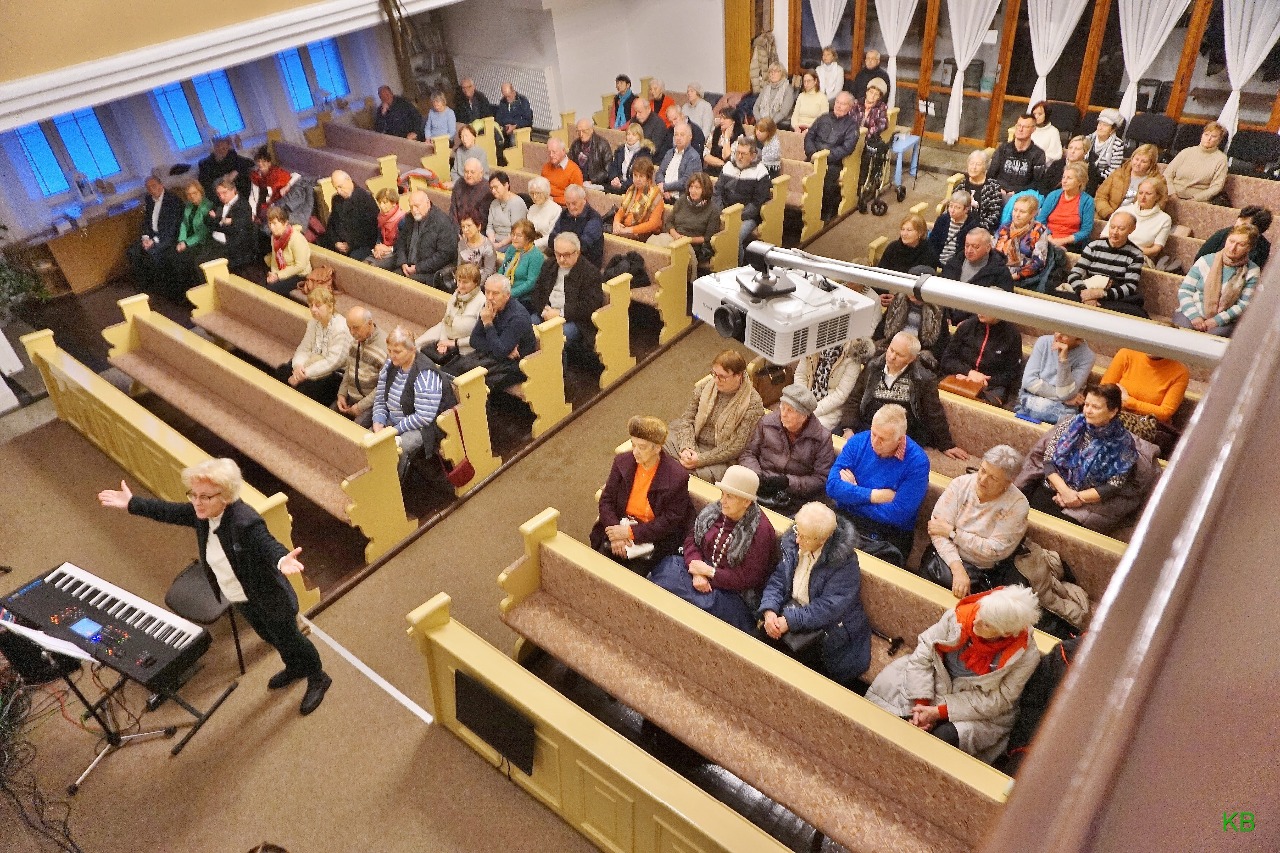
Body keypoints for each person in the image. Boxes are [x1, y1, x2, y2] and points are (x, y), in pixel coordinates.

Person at [98, 460, 332, 715]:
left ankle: (317, 675)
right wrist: (132, 503)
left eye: (205, 497)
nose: (196, 502)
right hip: (239, 596)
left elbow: (267, 544)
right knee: (270, 636)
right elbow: (168, 511)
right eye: (193, 494)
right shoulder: (203, 514)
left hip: (268, 597)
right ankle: (295, 667)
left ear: (226, 495)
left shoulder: (244, 522)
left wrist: (281, 559)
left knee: (291, 638)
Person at [865, 585, 1042, 761]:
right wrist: (922, 702)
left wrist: (939, 712)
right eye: (980, 611)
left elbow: (998, 700)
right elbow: (924, 652)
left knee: (941, 740)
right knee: (891, 720)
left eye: (986, 624)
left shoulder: (1025, 656)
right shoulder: (959, 618)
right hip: (934, 682)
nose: (975, 621)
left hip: (981, 712)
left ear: (1006, 632)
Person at [649, 466, 778, 632]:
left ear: (746, 502)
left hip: (732, 592)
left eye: (730, 496)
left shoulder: (761, 531)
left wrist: (710, 573)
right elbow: (692, 539)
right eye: (722, 493)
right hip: (698, 571)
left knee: (704, 608)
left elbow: (748, 578)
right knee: (667, 570)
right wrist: (697, 570)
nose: (722, 500)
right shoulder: (714, 511)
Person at [759, 502, 871, 683]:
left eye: (804, 537)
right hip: (792, 614)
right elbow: (779, 579)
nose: (797, 540)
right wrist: (769, 610)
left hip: (829, 632)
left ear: (822, 540)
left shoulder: (844, 563)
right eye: (797, 531)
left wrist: (790, 620)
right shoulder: (793, 542)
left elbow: (828, 608)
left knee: (791, 675)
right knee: (756, 648)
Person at [1019, 384, 1143, 527]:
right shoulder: (1071, 423)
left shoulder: (1123, 442)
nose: (1088, 411)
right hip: (1053, 487)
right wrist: (1065, 492)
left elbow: (1114, 485)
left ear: (1113, 411)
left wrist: (1077, 498)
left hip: (1089, 502)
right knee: (1028, 513)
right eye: (1086, 405)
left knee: (1067, 527)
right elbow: (1048, 460)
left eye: (1095, 407)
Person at [921, 446, 1029, 599]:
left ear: (1008, 482)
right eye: (983, 470)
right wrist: (957, 569)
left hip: (981, 570)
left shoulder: (1017, 505)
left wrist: (953, 533)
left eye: (993, 478)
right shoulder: (960, 484)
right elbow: (937, 529)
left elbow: (994, 550)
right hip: (942, 559)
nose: (983, 480)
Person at [827, 404, 929, 563]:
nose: (874, 441)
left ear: (900, 439)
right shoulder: (858, 441)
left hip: (888, 533)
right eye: (873, 433)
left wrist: (851, 495)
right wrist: (874, 495)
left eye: (882, 439)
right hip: (846, 518)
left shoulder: (918, 462)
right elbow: (832, 487)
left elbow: (898, 514)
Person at [591, 416, 693, 571]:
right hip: (619, 525)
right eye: (633, 445)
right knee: (599, 565)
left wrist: (630, 533)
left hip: (651, 536)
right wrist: (615, 533)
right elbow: (606, 500)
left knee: (633, 574)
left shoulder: (677, 476)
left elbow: (670, 521)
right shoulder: (622, 462)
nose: (635, 452)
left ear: (657, 448)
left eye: (642, 447)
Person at [665, 350, 766, 482]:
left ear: (738, 375)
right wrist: (687, 448)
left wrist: (700, 460)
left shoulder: (753, 404)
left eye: (722, 377)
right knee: (655, 445)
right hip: (693, 440)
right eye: (714, 374)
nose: (716, 380)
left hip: (720, 456)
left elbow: (737, 446)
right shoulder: (704, 387)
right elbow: (687, 419)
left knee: (690, 474)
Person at [740, 384, 837, 515]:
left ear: (804, 416)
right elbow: (748, 453)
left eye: (790, 410)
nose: (783, 414)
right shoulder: (767, 422)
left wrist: (787, 482)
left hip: (794, 497)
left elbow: (821, 478)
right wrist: (756, 476)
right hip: (760, 486)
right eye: (782, 407)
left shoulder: (821, 438)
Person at [372, 326, 451, 481]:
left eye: (397, 352)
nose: (392, 356)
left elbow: (424, 417)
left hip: (424, 427)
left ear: (412, 350)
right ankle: (375, 483)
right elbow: (380, 398)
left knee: (397, 449)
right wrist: (378, 422)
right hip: (395, 420)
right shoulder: (390, 365)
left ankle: (392, 487)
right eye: (389, 351)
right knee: (369, 440)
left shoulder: (425, 374)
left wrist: (394, 430)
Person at [448, 275, 537, 391]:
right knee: (453, 369)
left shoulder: (518, 317)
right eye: (487, 292)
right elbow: (474, 340)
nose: (490, 297)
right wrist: (503, 351)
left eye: (495, 293)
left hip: (516, 366)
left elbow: (499, 352)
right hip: (496, 358)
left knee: (470, 381)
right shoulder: (489, 307)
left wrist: (488, 323)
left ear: (507, 295)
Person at [529, 232, 605, 367]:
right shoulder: (549, 264)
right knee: (526, 329)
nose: (561, 259)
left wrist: (560, 314)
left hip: (574, 320)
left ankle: (556, 373)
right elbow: (537, 293)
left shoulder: (590, 273)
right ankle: (530, 368)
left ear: (577, 252)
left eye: (566, 255)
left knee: (554, 339)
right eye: (558, 254)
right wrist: (545, 311)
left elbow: (590, 305)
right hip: (546, 312)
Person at [1062, 211, 1148, 316]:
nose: (1115, 232)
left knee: (1137, 310)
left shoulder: (1136, 254)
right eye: (1112, 227)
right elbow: (1074, 274)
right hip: (1086, 291)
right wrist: (1084, 293)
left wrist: (1101, 293)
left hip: (1111, 297)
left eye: (1121, 229)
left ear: (1132, 229)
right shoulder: (1093, 246)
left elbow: (1130, 287)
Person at [284, 284, 351, 402]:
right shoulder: (313, 323)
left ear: (330, 307)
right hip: (312, 363)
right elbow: (304, 348)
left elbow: (333, 362)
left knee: (304, 390)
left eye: (318, 305)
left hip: (335, 373)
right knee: (282, 371)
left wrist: (304, 374)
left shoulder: (341, 328)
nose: (313, 309)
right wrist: (298, 366)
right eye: (311, 305)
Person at [940, 314, 1023, 407]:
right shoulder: (967, 326)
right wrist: (969, 372)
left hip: (991, 387)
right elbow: (947, 360)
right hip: (959, 377)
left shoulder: (1012, 335)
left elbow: (1012, 374)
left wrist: (983, 380)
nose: (980, 312)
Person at [714, 138, 773, 264]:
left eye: (743, 154)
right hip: (724, 212)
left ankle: (737, 267)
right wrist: (720, 212)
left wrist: (735, 217)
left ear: (753, 156)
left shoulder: (761, 172)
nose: (739, 157)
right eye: (737, 153)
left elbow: (757, 204)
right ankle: (721, 265)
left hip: (747, 217)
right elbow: (717, 192)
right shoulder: (728, 166)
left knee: (734, 237)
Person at [417, 262, 486, 369]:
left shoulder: (482, 302)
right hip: (445, 331)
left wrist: (452, 343)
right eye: (459, 281)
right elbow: (446, 319)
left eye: (465, 282)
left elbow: (479, 338)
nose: (460, 286)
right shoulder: (456, 294)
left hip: (464, 346)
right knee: (417, 345)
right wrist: (443, 341)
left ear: (476, 283)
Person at [1016, 333, 1096, 424]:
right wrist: (1064, 399)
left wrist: (1063, 361)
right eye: (1058, 330)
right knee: (1030, 403)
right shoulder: (1043, 342)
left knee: (1068, 418)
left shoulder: (1088, 357)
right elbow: (1028, 382)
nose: (1058, 336)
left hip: (1063, 408)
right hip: (1033, 397)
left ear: (1079, 340)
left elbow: (1066, 393)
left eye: (1065, 335)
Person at [805, 92, 861, 220]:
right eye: (837, 102)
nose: (839, 106)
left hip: (833, 163)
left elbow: (847, 148)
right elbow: (809, 136)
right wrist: (812, 153)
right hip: (813, 157)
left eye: (843, 104)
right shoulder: (823, 118)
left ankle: (824, 213)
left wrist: (824, 157)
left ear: (850, 107)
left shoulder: (852, 126)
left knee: (826, 180)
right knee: (800, 173)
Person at [384, 190, 457, 287]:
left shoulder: (442, 222)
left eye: (417, 206)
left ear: (427, 203)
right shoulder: (409, 218)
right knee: (388, 280)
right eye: (411, 206)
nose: (414, 210)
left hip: (429, 272)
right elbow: (400, 242)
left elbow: (444, 255)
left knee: (403, 285)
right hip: (407, 266)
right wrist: (402, 262)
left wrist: (417, 268)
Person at [1100, 347, 1189, 426]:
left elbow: (1165, 413)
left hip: (1149, 425)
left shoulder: (1180, 372)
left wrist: (1129, 402)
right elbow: (1103, 391)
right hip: (1114, 415)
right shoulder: (1126, 353)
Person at [650, 171, 721, 266]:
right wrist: (675, 235)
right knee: (653, 244)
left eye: (697, 188)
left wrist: (687, 239)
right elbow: (669, 222)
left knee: (671, 254)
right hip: (674, 238)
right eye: (691, 187)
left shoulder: (713, 210)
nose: (693, 191)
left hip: (692, 245)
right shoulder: (683, 200)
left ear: (705, 189)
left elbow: (707, 238)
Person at [940, 229, 1016, 316]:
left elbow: (1002, 308)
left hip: (977, 322)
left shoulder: (1000, 272)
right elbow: (941, 292)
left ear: (988, 248)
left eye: (975, 247)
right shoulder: (954, 263)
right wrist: (946, 316)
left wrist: (970, 322)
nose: (969, 250)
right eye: (967, 245)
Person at [335, 306, 388, 428]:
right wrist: (342, 394)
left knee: (353, 431)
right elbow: (349, 370)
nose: (352, 332)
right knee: (328, 418)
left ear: (369, 323)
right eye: (349, 328)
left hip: (371, 404)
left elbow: (383, 388)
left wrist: (360, 406)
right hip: (351, 396)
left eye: (356, 327)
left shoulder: (385, 348)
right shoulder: (356, 340)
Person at [127, 176, 182, 293]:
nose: (151, 190)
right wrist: (145, 238)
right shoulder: (149, 199)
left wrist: (154, 240)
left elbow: (171, 227)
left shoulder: (173, 200)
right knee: (132, 251)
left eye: (154, 186)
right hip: (152, 236)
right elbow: (146, 221)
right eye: (148, 188)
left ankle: (162, 287)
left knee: (152, 252)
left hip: (167, 236)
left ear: (161, 185)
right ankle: (144, 286)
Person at [873, 286, 949, 368]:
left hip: (918, 355)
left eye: (916, 291)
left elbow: (941, 344)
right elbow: (881, 330)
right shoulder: (898, 300)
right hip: (893, 347)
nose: (913, 293)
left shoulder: (937, 310)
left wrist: (918, 355)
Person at [1100, 178, 1171, 265]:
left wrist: (1129, 251)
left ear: (1157, 196)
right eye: (1140, 193)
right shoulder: (1123, 210)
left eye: (1148, 194)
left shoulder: (1164, 219)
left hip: (1140, 258)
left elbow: (1156, 249)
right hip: (1112, 251)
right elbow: (1104, 236)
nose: (1143, 197)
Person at [163, 180, 214, 291]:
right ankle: (181, 290)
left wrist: (186, 243)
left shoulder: (207, 206)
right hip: (187, 240)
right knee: (170, 256)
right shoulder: (188, 206)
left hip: (201, 241)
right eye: (189, 194)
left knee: (186, 260)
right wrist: (181, 240)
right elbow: (184, 224)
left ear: (201, 192)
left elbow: (203, 231)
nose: (192, 197)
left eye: (195, 193)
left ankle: (196, 289)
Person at [198, 176, 256, 269]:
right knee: (198, 260)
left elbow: (236, 231)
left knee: (205, 263)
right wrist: (222, 221)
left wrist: (217, 220)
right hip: (216, 242)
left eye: (224, 193)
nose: (221, 197)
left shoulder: (242, 206)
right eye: (218, 194)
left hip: (232, 247)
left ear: (233, 190)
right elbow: (207, 221)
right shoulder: (219, 203)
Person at [320, 171, 379, 262]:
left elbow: (371, 229)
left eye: (340, 186)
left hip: (360, 244)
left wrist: (350, 244)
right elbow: (332, 224)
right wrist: (336, 242)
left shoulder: (365, 198)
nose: (338, 191)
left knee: (353, 258)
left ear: (349, 180)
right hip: (340, 242)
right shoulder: (336, 199)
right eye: (336, 188)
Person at [1163, 121, 1228, 202]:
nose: (1209, 139)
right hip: (1171, 196)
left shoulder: (1221, 159)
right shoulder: (1186, 152)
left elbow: (1216, 187)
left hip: (1197, 201)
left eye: (1213, 136)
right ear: (1202, 135)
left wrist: (1194, 199)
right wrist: (1172, 194)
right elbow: (1167, 174)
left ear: (1219, 140)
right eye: (1206, 134)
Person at [1036, 162, 1094, 251]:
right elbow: (1040, 221)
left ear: (1080, 182)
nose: (1064, 181)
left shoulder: (1087, 201)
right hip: (1047, 239)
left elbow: (1085, 231)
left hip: (1071, 244)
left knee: (1058, 253)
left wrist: (1062, 241)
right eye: (1063, 177)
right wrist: (1050, 238)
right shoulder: (1053, 195)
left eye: (1069, 178)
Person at [1094, 144, 1161, 220]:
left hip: (1136, 220)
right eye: (1136, 159)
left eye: (1143, 162)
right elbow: (1100, 196)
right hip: (1108, 216)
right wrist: (1109, 214)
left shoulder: (1158, 181)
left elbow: (1159, 205)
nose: (1138, 164)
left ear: (1151, 164)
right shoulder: (1119, 172)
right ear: (1132, 158)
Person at [994, 195, 1050, 284]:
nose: (1017, 215)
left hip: (1023, 278)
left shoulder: (1039, 230)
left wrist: (1014, 276)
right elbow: (993, 253)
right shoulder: (1004, 228)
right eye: (1015, 210)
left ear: (1033, 213)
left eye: (1022, 212)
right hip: (998, 272)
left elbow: (1039, 263)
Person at [1195, 205, 1272, 269]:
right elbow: (1199, 259)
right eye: (1239, 220)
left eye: (1244, 225)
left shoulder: (1262, 248)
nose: (1237, 226)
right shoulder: (1223, 234)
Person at [548, 184, 605, 267]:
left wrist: (561, 247)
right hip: (562, 260)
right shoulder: (564, 214)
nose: (571, 208)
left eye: (574, 203)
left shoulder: (593, 218)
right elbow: (551, 239)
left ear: (584, 200)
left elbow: (583, 247)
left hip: (586, 264)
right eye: (568, 204)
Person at [260, 205, 310, 297]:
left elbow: (300, 265)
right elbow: (275, 258)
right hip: (281, 270)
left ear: (285, 223)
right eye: (270, 223)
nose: (271, 227)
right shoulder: (274, 237)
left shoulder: (296, 239)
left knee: (271, 290)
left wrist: (278, 275)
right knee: (259, 281)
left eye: (274, 223)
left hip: (299, 274)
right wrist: (273, 273)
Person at [988, 114, 1046, 195]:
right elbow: (991, 174)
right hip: (998, 192)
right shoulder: (1003, 148)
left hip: (1022, 195)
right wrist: (998, 188)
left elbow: (1037, 182)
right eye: (1019, 125)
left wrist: (1017, 192)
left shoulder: (1038, 154)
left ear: (1033, 129)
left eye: (1025, 127)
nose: (1020, 129)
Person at [612, 158, 665, 241]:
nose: (638, 179)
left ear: (648, 178)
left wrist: (629, 230)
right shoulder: (631, 190)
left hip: (643, 234)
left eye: (641, 176)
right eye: (635, 175)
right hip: (625, 228)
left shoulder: (656, 196)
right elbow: (621, 211)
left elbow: (653, 224)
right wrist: (616, 223)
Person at [499, 219, 545, 308]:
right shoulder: (512, 248)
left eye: (519, 235)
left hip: (523, 299)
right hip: (504, 292)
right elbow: (503, 268)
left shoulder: (536, 255)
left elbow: (531, 283)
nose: (514, 238)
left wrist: (509, 294)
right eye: (513, 234)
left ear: (528, 238)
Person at [247, 146, 298, 227]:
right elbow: (253, 196)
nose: (260, 164)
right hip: (264, 206)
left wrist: (287, 186)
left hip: (279, 203)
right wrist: (253, 213)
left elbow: (296, 176)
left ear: (269, 163)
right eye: (258, 161)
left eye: (263, 161)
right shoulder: (256, 176)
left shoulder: (277, 173)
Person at [928, 190, 979, 268]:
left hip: (956, 265)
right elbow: (933, 242)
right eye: (951, 206)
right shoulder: (943, 219)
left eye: (957, 207)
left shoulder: (972, 225)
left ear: (966, 209)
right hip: (936, 260)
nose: (952, 210)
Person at [960, 149, 1006, 232]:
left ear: (985, 167)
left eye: (978, 164)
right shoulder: (962, 185)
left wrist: (977, 228)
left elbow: (994, 216)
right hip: (959, 226)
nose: (974, 167)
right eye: (971, 163)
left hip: (981, 230)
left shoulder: (993, 187)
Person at [607, 121, 657, 195]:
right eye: (628, 134)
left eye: (634, 135)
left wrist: (623, 185)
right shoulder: (620, 150)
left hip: (634, 188)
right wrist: (614, 178)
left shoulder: (644, 153)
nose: (630, 137)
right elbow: (613, 167)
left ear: (639, 137)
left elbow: (641, 176)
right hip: (618, 185)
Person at [657, 123, 702, 199]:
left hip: (680, 199)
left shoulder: (693, 157)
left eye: (682, 135)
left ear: (690, 137)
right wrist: (663, 188)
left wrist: (665, 187)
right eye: (676, 135)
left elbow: (686, 182)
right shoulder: (669, 153)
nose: (678, 138)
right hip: (663, 195)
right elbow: (660, 172)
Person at [486, 171, 527, 252]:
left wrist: (499, 245)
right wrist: (491, 241)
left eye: (496, 187)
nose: (493, 191)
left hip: (512, 242)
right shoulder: (494, 203)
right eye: (491, 188)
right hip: (495, 240)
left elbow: (516, 231)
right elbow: (490, 226)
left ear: (506, 185)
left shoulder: (516, 203)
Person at [1086, 108, 1126, 190]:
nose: (1100, 128)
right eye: (1099, 124)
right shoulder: (1088, 139)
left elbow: (1114, 169)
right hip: (1083, 174)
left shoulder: (1118, 145)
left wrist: (1097, 180)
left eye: (1105, 125)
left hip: (1101, 181)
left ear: (1113, 129)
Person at [449, 158, 494, 231]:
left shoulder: (487, 190)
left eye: (472, 172)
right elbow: (453, 211)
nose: (469, 175)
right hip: (457, 230)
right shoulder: (459, 184)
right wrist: (457, 231)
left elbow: (484, 220)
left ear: (481, 173)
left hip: (477, 231)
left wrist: (467, 232)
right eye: (466, 172)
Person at [365, 187, 404, 265]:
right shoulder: (380, 216)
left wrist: (389, 249)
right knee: (365, 263)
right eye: (380, 202)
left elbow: (402, 243)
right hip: (382, 249)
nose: (381, 206)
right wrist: (378, 246)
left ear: (394, 203)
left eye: (385, 203)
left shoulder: (403, 219)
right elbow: (379, 236)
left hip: (395, 252)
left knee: (372, 265)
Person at [568, 119, 613, 187]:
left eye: (584, 131)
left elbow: (608, 170)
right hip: (579, 181)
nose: (581, 134)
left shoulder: (602, 144)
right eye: (578, 131)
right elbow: (570, 164)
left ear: (591, 130)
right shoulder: (575, 144)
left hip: (597, 183)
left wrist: (592, 181)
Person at [539, 137, 583, 206]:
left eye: (554, 152)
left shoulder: (574, 171)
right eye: (549, 152)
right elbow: (541, 189)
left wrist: (553, 200)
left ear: (563, 151)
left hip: (563, 207)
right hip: (545, 203)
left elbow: (576, 199)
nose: (551, 155)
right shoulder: (546, 167)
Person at [702, 108, 745, 176]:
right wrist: (722, 163)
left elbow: (726, 157)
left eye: (725, 118)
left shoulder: (740, 137)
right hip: (711, 169)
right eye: (721, 118)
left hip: (729, 174)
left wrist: (727, 137)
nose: (721, 121)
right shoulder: (715, 132)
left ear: (733, 121)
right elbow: (705, 155)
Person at [446, 124, 490, 189]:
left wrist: (459, 184)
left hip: (477, 185)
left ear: (473, 137)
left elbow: (481, 176)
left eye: (466, 136)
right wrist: (457, 183)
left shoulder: (481, 152)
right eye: (462, 137)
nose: (464, 139)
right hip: (461, 183)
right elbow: (454, 171)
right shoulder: (459, 151)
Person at [524, 176, 562, 251]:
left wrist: (533, 244)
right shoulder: (532, 208)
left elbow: (551, 236)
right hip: (529, 245)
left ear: (546, 192)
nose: (535, 197)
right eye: (532, 193)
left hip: (546, 248)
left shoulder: (556, 209)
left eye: (538, 193)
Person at [495, 82, 533, 150]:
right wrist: (504, 127)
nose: (507, 99)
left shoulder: (522, 101)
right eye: (505, 96)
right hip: (506, 129)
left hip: (519, 130)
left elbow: (528, 120)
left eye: (509, 96)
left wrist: (515, 126)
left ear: (513, 91)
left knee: (514, 140)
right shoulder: (503, 102)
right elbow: (499, 118)